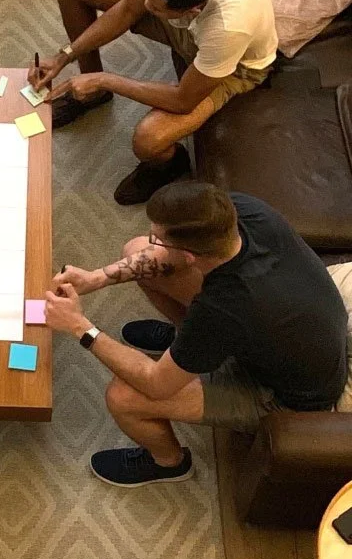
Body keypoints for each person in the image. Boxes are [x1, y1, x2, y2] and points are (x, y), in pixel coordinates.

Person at [43, 182, 346, 488]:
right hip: (291, 333)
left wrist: (80, 326)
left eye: (159, 238)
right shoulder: (242, 210)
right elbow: (163, 259)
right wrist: (97, 278)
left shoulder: (224, 308)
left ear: (188, 255)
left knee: (124, 396)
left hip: (292, 397)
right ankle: (188, 345)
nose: (155, 242)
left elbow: (156, 383)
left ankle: (168, 463)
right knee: (137, 253)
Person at [30, 0, 279, 205]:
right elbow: (128, 9)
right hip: (190, 30)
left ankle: (169, 165)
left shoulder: (229, 25)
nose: (146, 7)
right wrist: (63, 57)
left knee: (148, 140)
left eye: (156, 7)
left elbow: (183, 100)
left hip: (235, 68)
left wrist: (106, 80)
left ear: (192, 11)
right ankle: (90, 95)